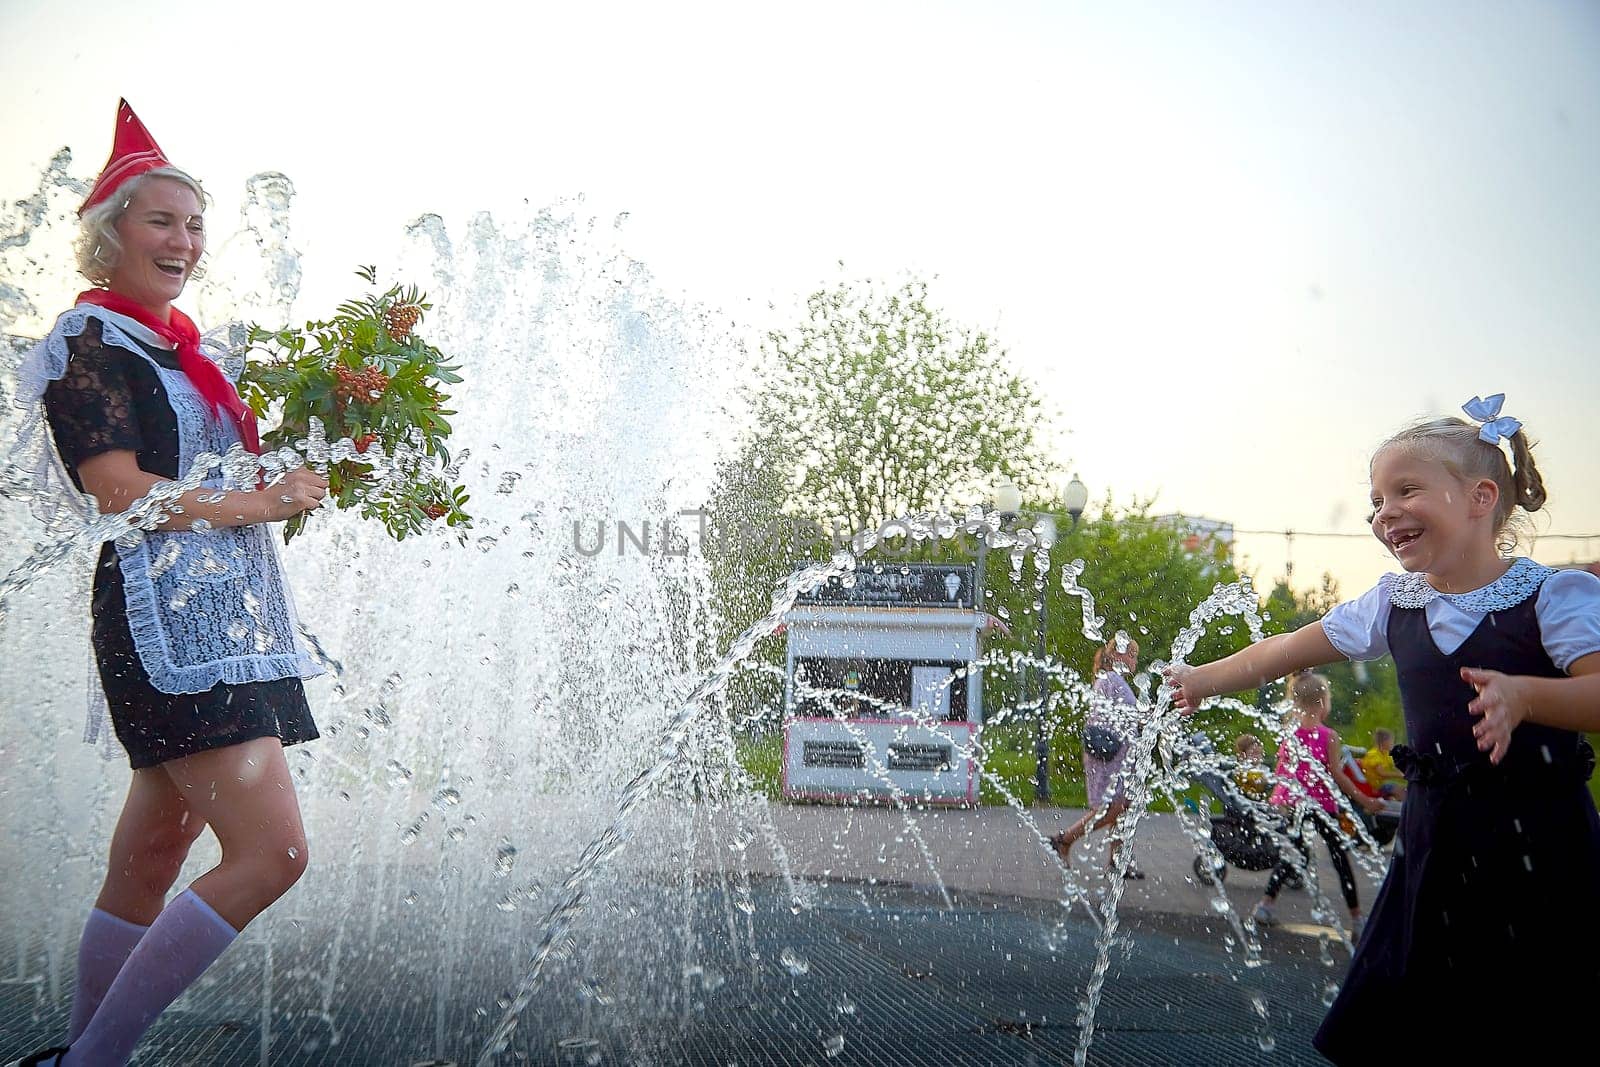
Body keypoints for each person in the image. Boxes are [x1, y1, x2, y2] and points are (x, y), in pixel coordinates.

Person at [10, 102, 328, 1067]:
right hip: (163, 623)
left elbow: (224, 478)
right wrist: (256, 507)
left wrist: (322, 450)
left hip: (230, 616)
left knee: (150, 859)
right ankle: (89, 1063)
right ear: (111, 235)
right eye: (160, 220)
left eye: (193, 223)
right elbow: (115, 492)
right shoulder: (87, 346)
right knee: (274, 855)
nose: (183, 240)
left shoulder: (193, 351)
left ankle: (75, 1054)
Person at [1164, 396, 1600, 1064]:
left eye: (1405, 489)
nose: (1382, 512)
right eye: (1374, 499)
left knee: (1537, 1011)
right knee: (1419, 1020)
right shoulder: (1394, 602)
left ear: (1481, 497)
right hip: (1437, 848)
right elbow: (1285, 649)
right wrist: (1199, 678)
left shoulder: (1552, 596)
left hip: (1541, 845)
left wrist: (1527, 695)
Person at [1249, 672, 1383, 934]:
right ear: (1323, 702)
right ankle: (1357, 918)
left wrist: (1278, 801)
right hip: (1321, 805)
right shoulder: (1328, 736)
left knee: (1292, 854)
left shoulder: (1290, 732)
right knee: (1339, 858)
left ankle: (1265, 906)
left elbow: (1283, 772)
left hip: (1295, 804)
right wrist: (1366, 799)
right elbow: (1337, 775)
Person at [1050, 633, 1146, 879]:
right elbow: (1124, 718)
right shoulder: (1112, 679)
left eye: (1135, 657)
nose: (1134, 662)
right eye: (1130, 655)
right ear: (1115, 656)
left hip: (1116, 754)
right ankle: (1065, 839)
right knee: (1113, 808)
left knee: (1123, 806)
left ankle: (1117, 860)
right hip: (1109, 755)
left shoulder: (1112, 680)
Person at [1357, 727, 1406, 800]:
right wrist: (1399, 775)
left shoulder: (1385, 754)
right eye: (1391, 741)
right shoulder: (1374, 755)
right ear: (1384, 742)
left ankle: (1400, 804)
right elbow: (1382, 773)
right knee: (1400, 790)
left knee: (1403, 788)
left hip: (1381, 784)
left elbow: (1395, 766)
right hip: (1373, 786)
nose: (1392, 743)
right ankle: (1406, 808)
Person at [1231, 733, 1272, 801]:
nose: (1258, 757)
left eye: (1260, 754)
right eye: (1255, 753)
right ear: (1242, 755)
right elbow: (1255, 781)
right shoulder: (1240, 771)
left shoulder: (1264, 769)